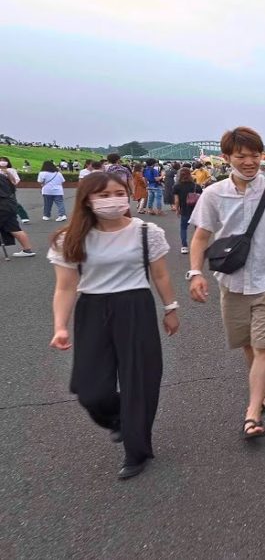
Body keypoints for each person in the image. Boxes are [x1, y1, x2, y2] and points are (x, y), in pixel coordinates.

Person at [47, 172, 179, 479]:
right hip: (92, 308)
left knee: (140, 381)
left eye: (118, 193)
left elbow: (160, 275)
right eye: (103, 195)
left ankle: (137, 450)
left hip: (136, 306)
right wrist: (60, 326)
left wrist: (170, 308)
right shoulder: (70, 238)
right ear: (87, 200)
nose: (112, 200)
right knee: (90, 390)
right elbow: (65, 287)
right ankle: (119, 418)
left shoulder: (147, 232)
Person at [187, 127, 265, 439]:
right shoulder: (213, 194)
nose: (250, 162)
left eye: (255, 155)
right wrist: (195, 272)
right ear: (227, 158)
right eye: (242, 156)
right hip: (232, 281)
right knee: (247, 343)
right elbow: (200, 236)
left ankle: (252, 413)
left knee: (264, 345)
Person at [0, 161, 36, 256]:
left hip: (2, 205)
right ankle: (27, 250)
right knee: (14, 228)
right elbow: (13, 187)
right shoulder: (5, 177)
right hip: (10, 203)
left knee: (14, 228)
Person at [171, 167, 202, 255]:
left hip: (184, 210)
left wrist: (177, 209)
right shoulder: (196, 186)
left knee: (183, 228)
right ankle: (198, 245)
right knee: (198, 228)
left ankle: (184, 246)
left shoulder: (177, 186)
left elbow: (176, 200)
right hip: (196, 210)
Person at [1, 156, 32, 224]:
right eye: (1, 161)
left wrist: (8, 173)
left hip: (9, 189)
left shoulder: (11, 170)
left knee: (13, 203)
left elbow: (16, 181)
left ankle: (24, 217)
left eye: (4, 161)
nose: (2, 162)